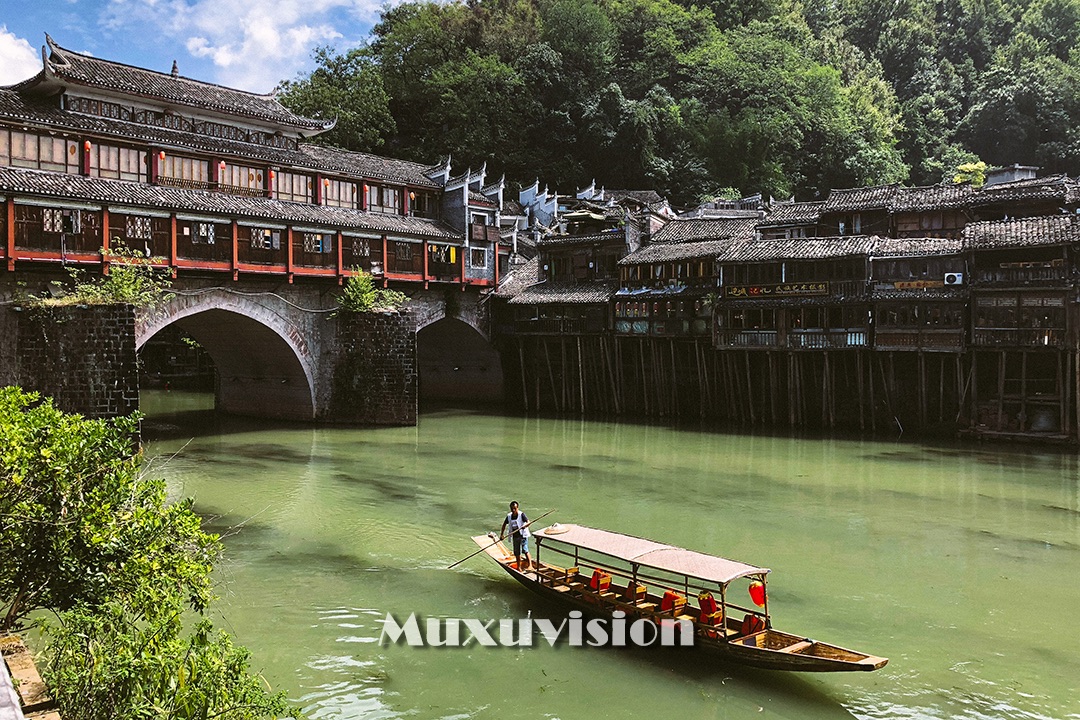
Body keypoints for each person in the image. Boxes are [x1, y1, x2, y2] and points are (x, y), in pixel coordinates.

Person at [500, 501, 532, 571]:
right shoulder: (509, 516)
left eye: (515, 508)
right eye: (512, 509)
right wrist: (501, 535)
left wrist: (525, 526)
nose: (513, 510)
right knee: (517, 552)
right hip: (515, 536)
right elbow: (504, 525)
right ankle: (519, 567)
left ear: (517, 508)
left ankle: (530, 565)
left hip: (523, 535)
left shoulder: (521, 514)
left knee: (525, 550)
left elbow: (528, 522)